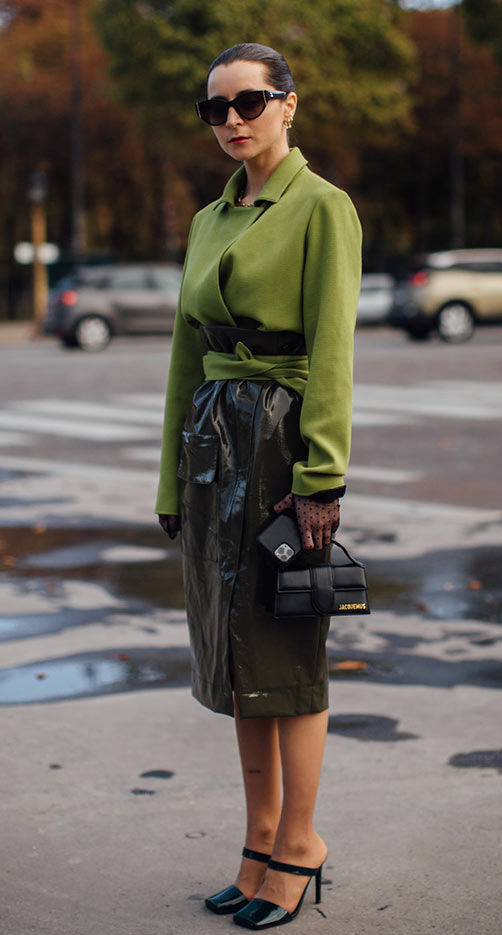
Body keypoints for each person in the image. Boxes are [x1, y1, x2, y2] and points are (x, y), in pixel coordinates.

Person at [155, 42, 362, 931]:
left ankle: (302, 841)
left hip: (280, 448)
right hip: (212, 449)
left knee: (287, 654)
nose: (231, 120)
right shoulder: (209, 219)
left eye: (248, 102)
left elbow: (334, 354)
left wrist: (321, 477)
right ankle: (258, 841)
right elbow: (181, 360)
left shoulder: (322, 207)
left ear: (288, 105)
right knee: (236, 666)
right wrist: (170, 474)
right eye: (215, 109)